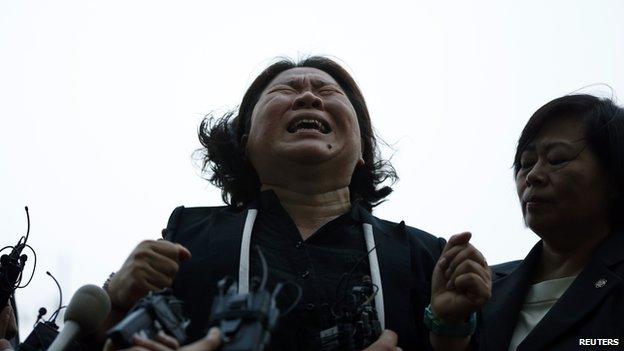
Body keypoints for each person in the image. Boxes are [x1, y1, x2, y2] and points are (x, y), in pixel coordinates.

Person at [102, 56, 491, 350]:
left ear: (361, 151)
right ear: (246, 143)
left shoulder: (428, 258)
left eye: (327, 93)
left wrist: (451, 328)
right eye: (284, 91)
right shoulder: (187, 239)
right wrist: (116, 305)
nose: (307, 96)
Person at [477, 94, 624, 350]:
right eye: (525, 163)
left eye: (557, 159)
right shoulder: (482, 289)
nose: (533, 176)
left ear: (614, 177)